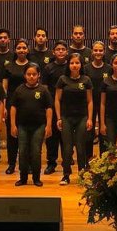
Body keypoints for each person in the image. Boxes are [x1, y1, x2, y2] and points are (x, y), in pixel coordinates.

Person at [10, 63, 53, 187]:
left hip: (39, 126)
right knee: (22, 151)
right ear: (24, 75)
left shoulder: (43, 90)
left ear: (39, 75)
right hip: (22, 126)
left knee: (36, 152)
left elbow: (49, 108)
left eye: (34, 74)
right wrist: (13, 125)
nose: (31, 76)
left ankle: (36, 178)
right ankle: (23, 178)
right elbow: (13, 107)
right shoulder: (19, 90)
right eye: (29, 74)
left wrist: (49, 125)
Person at [55, 53, 93, 185]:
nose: (74, 65)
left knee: (81, 147)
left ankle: (82, 174)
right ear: (68, 65)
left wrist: (90, 118)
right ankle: (66, 175)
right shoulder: (62, 79)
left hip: (82, 117)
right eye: (72, 63)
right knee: (67, 147)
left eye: (77, 63)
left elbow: (90, 101)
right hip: (66, 117)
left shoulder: (86, 80)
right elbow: (57, 100)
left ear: (81, 65)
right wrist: (58, 118)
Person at [2, 39, 30, 175]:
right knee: (12, 135)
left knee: (28, 135)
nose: (22, 50)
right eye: (19, 48)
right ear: (15, 50)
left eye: (24, 48)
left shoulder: (32, 66)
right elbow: (4, 88)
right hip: (12, 104)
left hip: (29, 104)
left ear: (28, 50)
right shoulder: (9, 67)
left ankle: (28, 164)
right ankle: (12, 164)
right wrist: (4, 106)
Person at [42, 40, 69, 175]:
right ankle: (51, 163)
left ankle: (67, 161)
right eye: (58, 49)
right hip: (52, 106)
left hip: (67, 105)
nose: (60, 51)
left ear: (67, 52)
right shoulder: (48, 68)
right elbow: (45, 88)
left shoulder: (70, 66)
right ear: (53, 52)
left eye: (63, 49)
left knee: (66, 136)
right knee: (51, 136)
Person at [83, 41, 112, 157]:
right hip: (89, 104)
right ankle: (89, 160)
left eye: (100, 50)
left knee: (104, 133)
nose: (98, 52)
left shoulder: (109, 68)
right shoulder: (86, 68)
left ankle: (104, 160)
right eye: (95, 50)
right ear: (92, 52)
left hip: (105, 104)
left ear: (104, 52)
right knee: (88, 133)